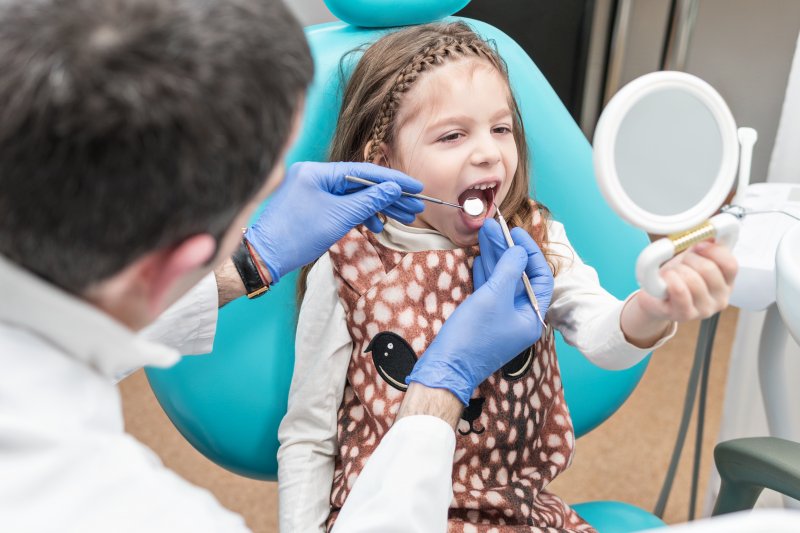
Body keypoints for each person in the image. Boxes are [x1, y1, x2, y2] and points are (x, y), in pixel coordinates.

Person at [0, 1, 547, 531]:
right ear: (183, 261)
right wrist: (442, 388)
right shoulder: (142, 514)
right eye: (256, 201)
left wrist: (247, 263)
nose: (487, 151)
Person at [277, 22, 739, 532]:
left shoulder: (534, 237)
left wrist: (653, 308)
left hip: (517, 513)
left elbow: (606, 339)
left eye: (501, 129)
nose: (489, 153)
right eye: (452, 135)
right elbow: (309, 437)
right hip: (391, 513)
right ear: (384, 161)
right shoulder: (347, 265)